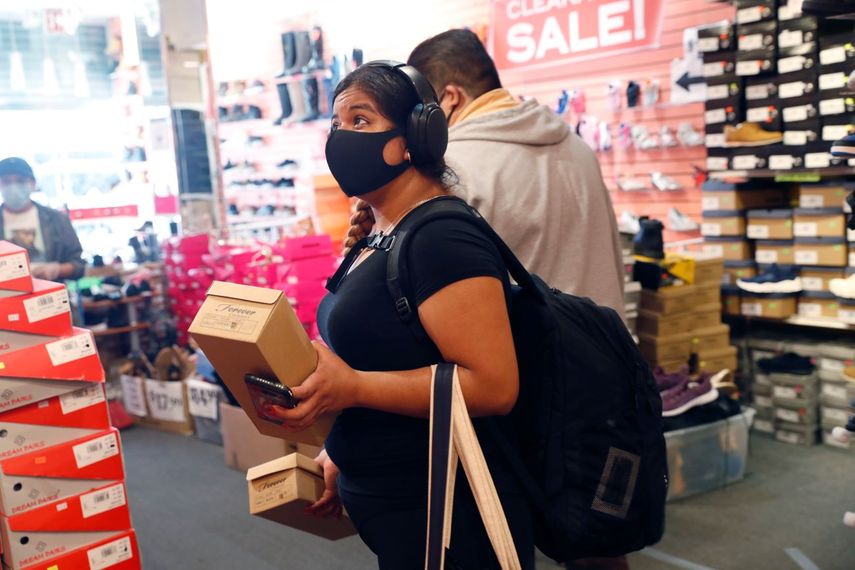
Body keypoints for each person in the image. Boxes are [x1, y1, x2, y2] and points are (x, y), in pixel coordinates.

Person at [267, 62, 534, 569]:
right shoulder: (381, 233)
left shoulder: (442, 237)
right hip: (400, 509)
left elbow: (495, 386)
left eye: (361, 120)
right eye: (337, 123)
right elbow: (390, 356)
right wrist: (343, 449)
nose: (342, 137)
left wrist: (353, 388)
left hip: (450, 514)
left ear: (415, 137)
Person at [0, 157, 85, 280]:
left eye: (20, 180)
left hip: (51, 290)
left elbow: (79, 265)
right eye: (6, 181)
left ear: (33, 183)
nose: (13, 187)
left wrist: (57, 270)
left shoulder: (57, 219)